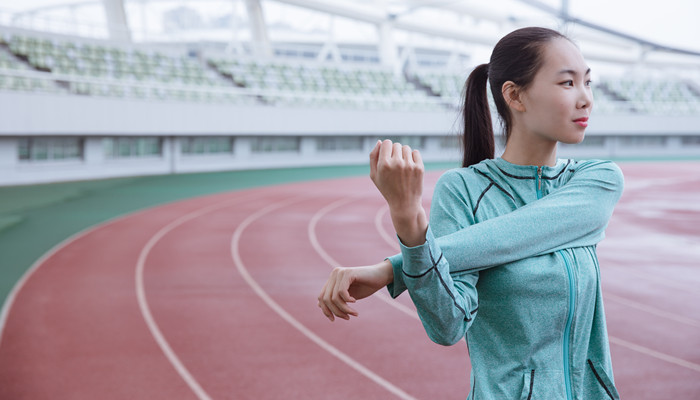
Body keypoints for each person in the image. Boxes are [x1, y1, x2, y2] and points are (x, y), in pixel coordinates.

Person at [317, 27, 624, 399]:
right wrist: (408, 219)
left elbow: (524, 232)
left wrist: (393, 269)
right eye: (567, 83)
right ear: (514, 95)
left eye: (588, 83)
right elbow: (447, 326)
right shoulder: (463, 190)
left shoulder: (596, 180)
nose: (586, 99)